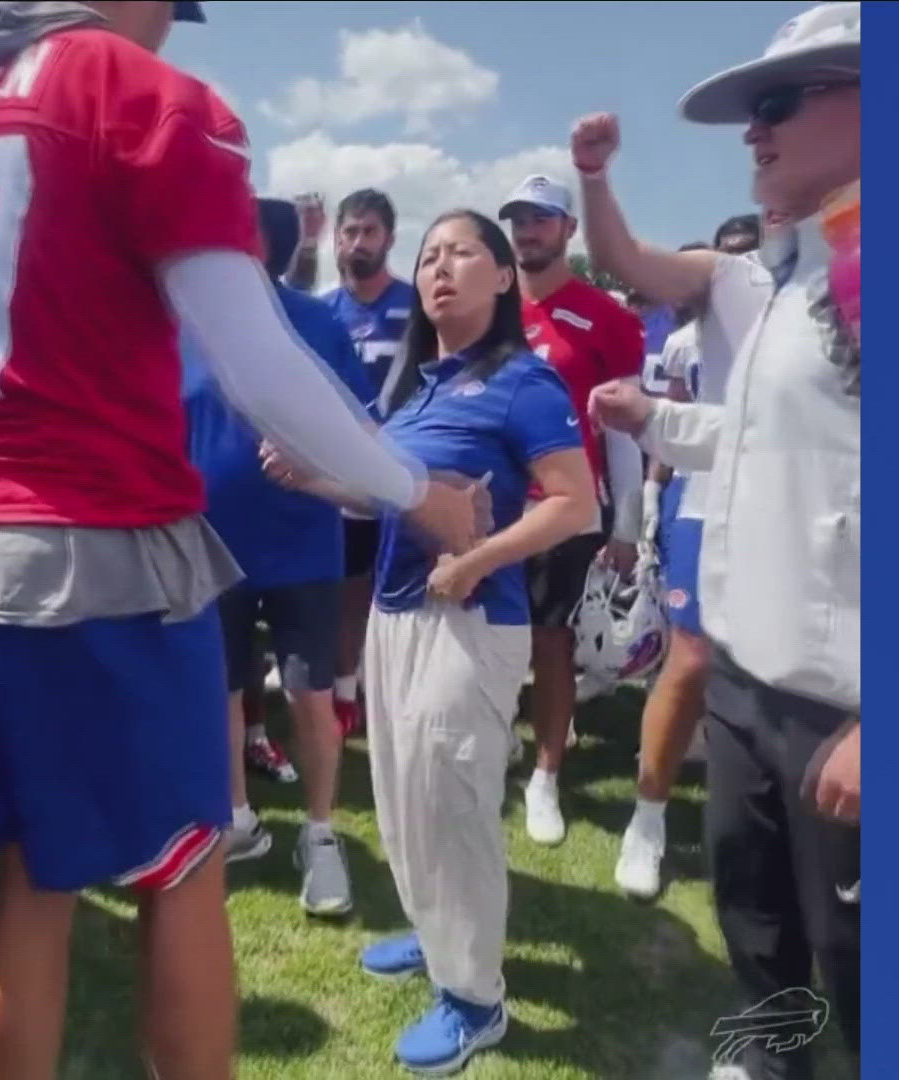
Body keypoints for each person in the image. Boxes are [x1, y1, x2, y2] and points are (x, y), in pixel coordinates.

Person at [0, 3, 477, 1077]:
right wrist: (416, 491)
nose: (170, 27)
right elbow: (259, 364)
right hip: (97, 543)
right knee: (184, 865)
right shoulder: (136, 98)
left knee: (34, 867)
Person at [577, 4, 862, 1077]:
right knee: (757, 927)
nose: (753, 130)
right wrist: (661, 422)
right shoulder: (797, 271)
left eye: (778, 103)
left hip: (843, 709)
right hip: (747, 685)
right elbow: (779, 439)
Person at [266, 210, 595, 1075]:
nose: (441, 267)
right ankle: (434, 932)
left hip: (471, 623)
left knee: (453, 811)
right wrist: (315, 478)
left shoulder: (525, 381)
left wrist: (477, 558)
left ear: (500, 279)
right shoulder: (423, 387)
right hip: (397, 616)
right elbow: (392, 496)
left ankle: (475, 1001)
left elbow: (575, 503)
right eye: (431, 255)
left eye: (463, 253)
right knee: (405, 792)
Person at [184, 197, 370, 916]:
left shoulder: (319, 323)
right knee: (223, 691)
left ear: (269, 248)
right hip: (208, 545)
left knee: (309, 696)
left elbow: (359, 424)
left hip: (303, 548)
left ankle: (320, 836)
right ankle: (237, 819)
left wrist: (314, 460)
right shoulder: (186, 320)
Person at [612, 226, 768, 903]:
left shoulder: (830, 280)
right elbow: (672, 421)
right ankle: (647, 818)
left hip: (799, 503)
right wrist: (649, 495)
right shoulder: (728, 288)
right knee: (694, 658)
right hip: (706, 499)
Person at [496, 173, 646, 847]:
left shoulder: (607, 317)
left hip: (567, 510)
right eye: (519, 219)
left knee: (551, 643)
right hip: (489, 508)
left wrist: (626, 526)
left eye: (542, 218)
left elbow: (621, 430)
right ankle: (497, 742)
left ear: (567, 229)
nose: (528, 230)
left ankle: (546, 776)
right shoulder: (487, 302)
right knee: (488, 637)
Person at [321, 188, 419, 739]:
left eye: (369, 232)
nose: (359, 242)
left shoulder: (418, 305)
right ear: (338, 238)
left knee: (401, 588)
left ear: (389, 237)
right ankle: (343, 691)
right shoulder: (324, 309)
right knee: (346, 588)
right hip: (336, 476)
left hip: (403, 468)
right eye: (350, 232)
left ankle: (395, 695)